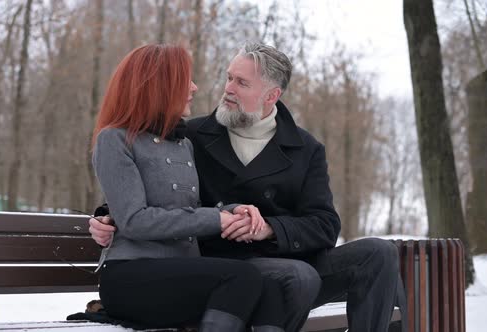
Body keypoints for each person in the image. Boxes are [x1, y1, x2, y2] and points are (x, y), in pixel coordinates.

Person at [90, 42, 406, 332]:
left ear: (272, 96)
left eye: (241, 83)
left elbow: (325, 225)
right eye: (229, 78)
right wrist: (109, 215)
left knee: (378, 253)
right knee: (295, 277)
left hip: (282, 254)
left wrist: (269, 229)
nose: (227, 88)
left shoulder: (305, 149)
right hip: (220, 263)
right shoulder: (194, 135)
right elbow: (154, 184)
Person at [91, 44, 287, 332]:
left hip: (181, 272)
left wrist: (233, 211)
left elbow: (188, 209)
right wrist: (216, 220)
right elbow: (133, 221)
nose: (194, 87)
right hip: (132, 275)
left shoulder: (183, 143)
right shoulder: (115, 140)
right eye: (185, 80)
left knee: (270, 289)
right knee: (241, 277)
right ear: (160, 86)